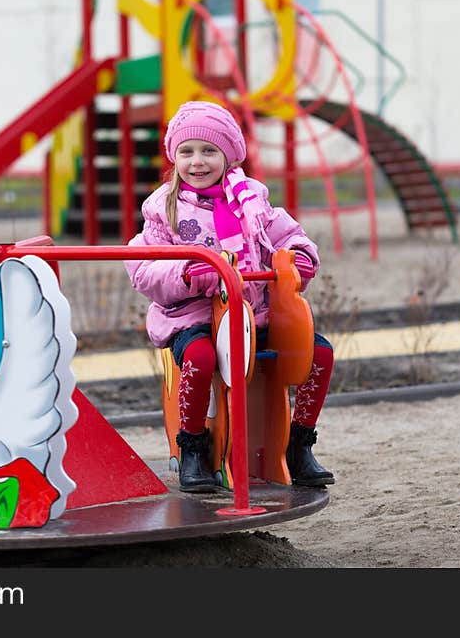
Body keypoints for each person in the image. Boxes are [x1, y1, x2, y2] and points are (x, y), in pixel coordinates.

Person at [123, 100, 335, 492]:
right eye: (186, 152)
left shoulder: (252, 202)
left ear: (229, 155)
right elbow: (142, 267)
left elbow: (289, 236)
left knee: (317, 353)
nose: (197, 162)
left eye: (209, 151)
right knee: (202, 357)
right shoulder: (164, 209)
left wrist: (300, 258)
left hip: (255, 315)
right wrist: (187, 274)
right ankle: (193, 448)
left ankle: (298, 445)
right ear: (174, 157)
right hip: (194, 316)